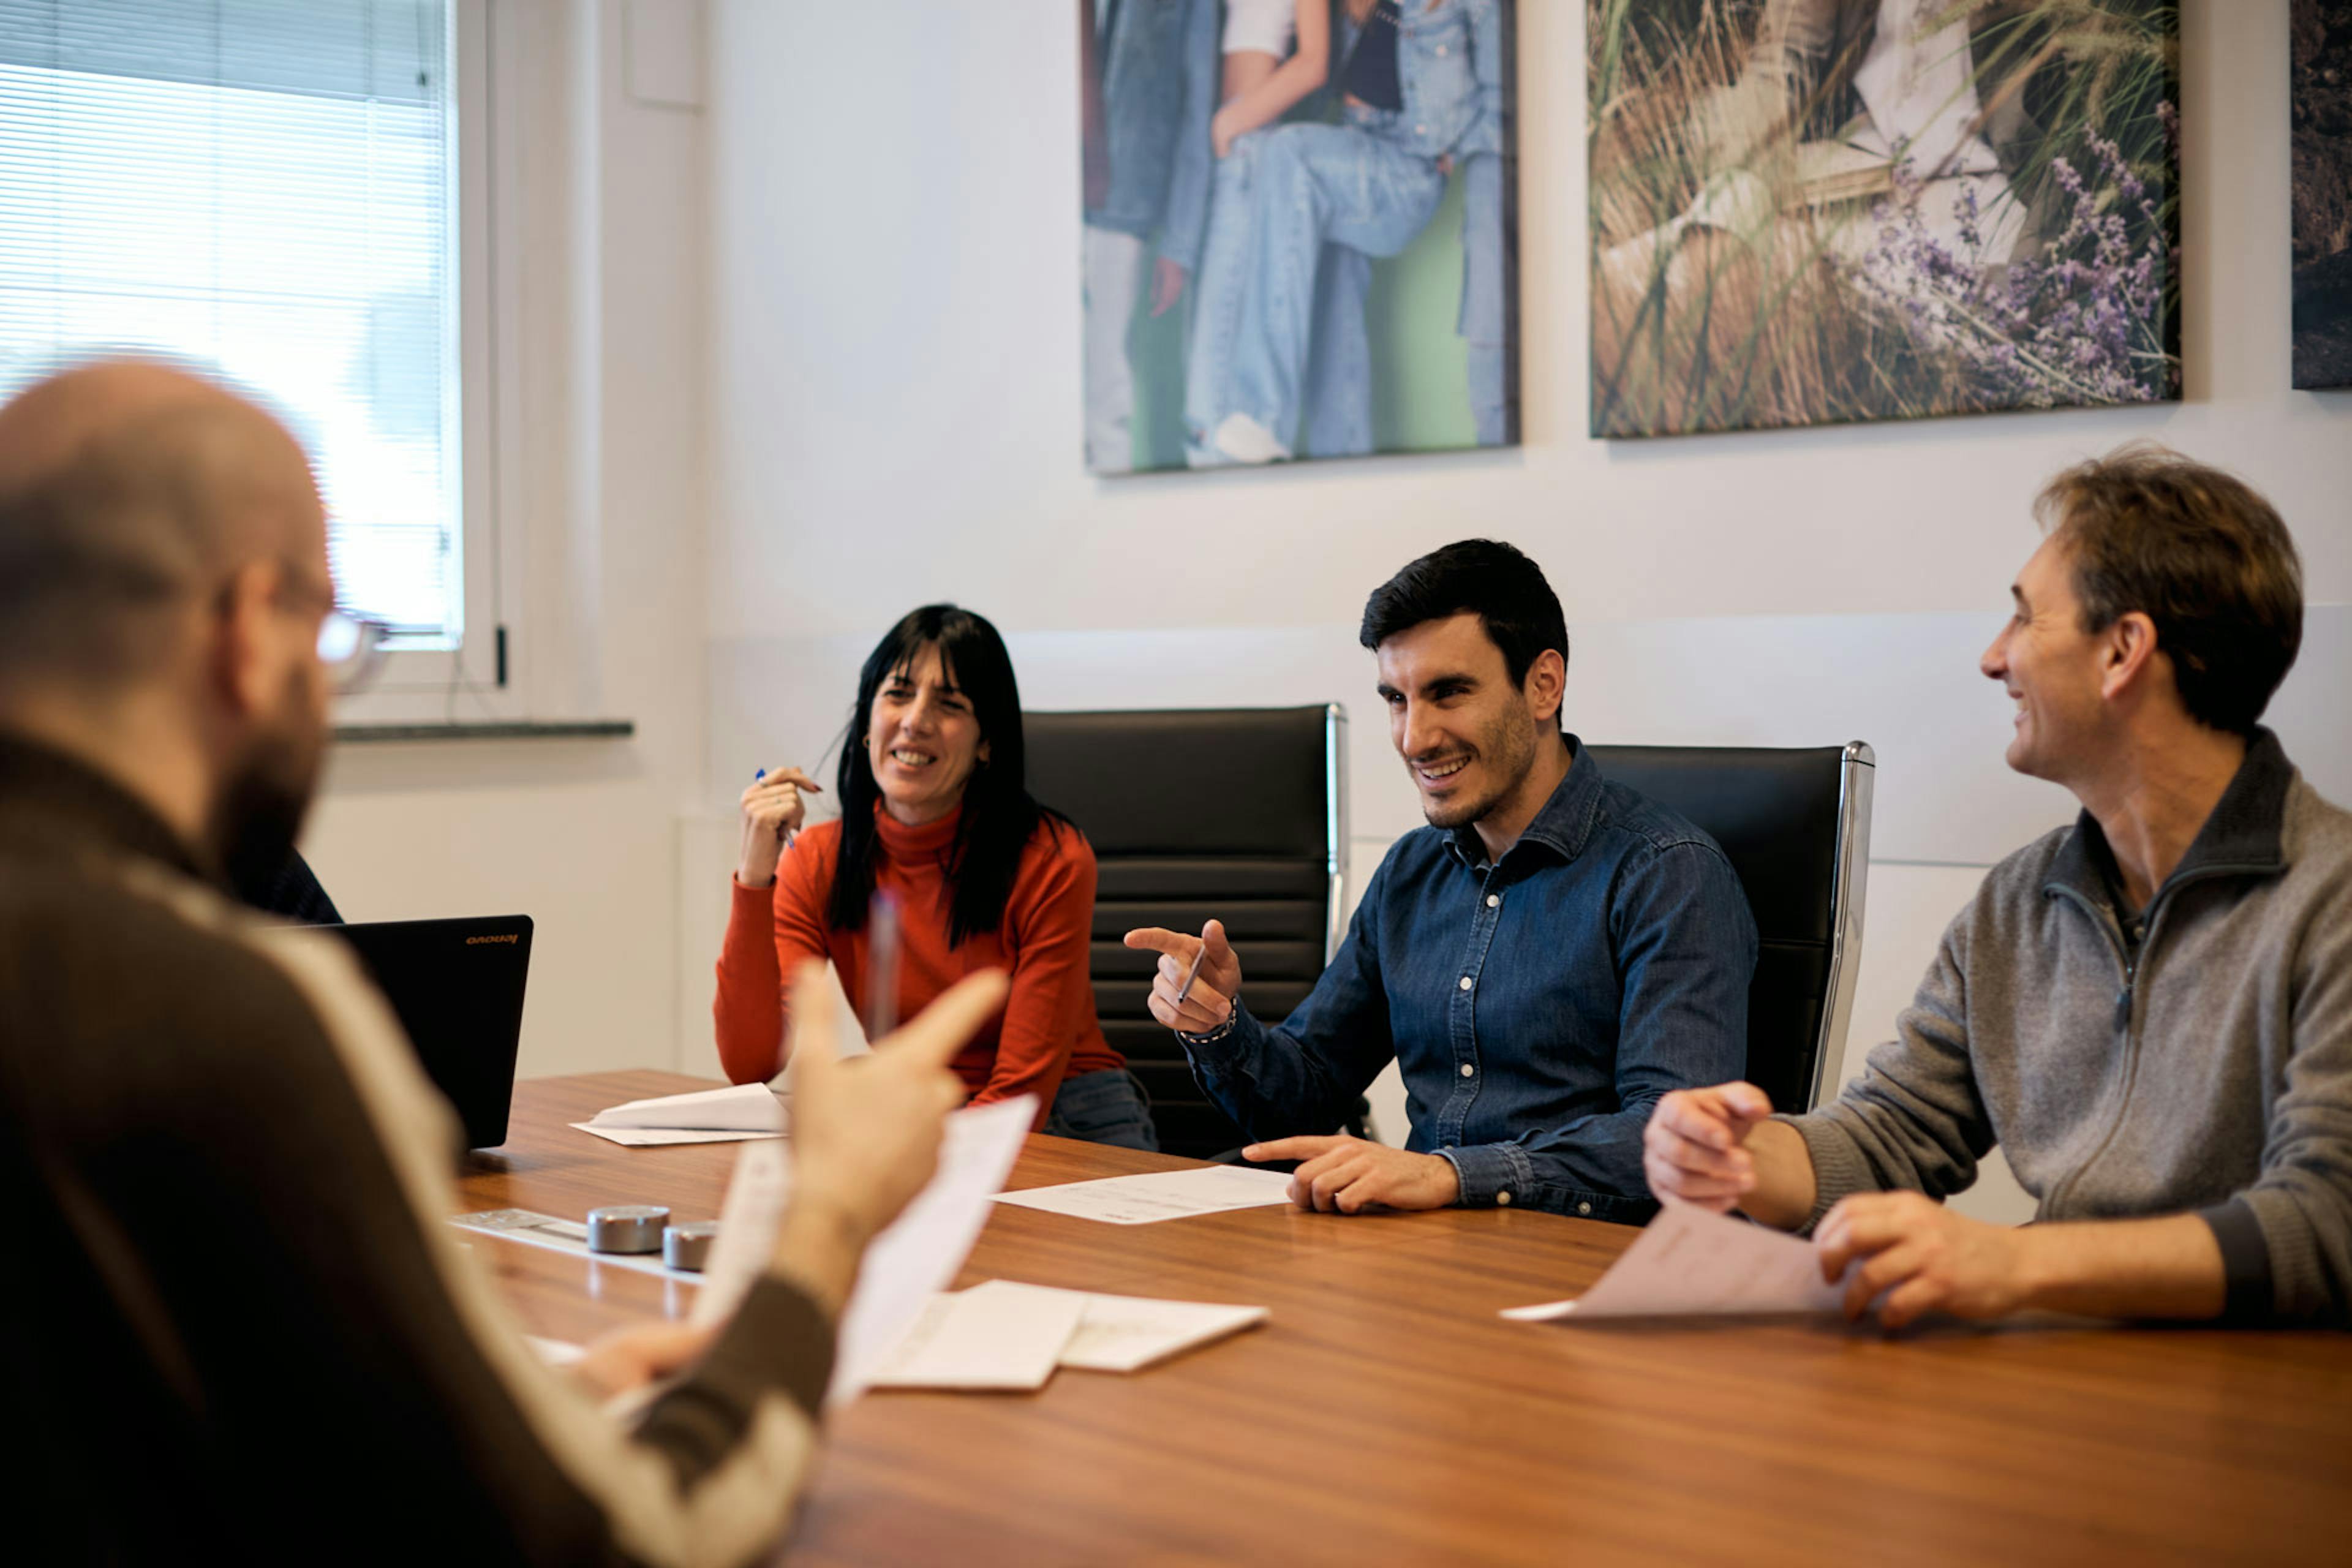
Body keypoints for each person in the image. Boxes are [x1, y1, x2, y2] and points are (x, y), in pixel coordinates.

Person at [0, 359, 1012, 1565]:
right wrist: (830, 1220)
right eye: (331, 634)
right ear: (242, 627)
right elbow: (634, 1541)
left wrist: (536, 1423)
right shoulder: (222, 1011)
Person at [1645, 445, 2352, 1330]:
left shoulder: (2334, 899)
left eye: (2024, 619)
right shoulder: (2018, 904)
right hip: (2067, 1376)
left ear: (2124, 651)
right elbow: (1892, 1134)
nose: (1991, 658)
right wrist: (1747, 1159)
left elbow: (2331, 1220)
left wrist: (2018, 1259)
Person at [1126, 540, 1756, 1218]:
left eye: (1448, 693)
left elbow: (1674, 1139)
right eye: (1397, 699)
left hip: (1584, 1263)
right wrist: (1217, 1023)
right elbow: (1302, 1099)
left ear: (1544, 685)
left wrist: (1453, 1175)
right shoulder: (1411, 871)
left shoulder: (1668, 873)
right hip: (1415, 1248)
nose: (1414, 738)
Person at [714, 605, 1158, 1152]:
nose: (915, 719)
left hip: (1067, 1122)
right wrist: (756, 877)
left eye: (949, 703)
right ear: (866, 723)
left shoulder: (1051, 858)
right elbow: (749, 1064)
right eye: (898, 693)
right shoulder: (820, 860)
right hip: (924, 1112)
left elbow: (1020, 1097)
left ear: (986, 743)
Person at [1191, 0, 1513, 464]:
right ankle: (1344, 459)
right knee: (1333, 309)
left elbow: (1496, 93)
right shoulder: (1353, 6)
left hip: (1408, 170)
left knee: (1290, 156)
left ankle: (1262, 413)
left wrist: (1456, 149)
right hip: (1358, 149)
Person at [1080, 0, 1220, 473]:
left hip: (1122, 204)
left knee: (1107, 395)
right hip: (1034, 200)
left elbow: (1199, 100)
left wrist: (1179, 242)